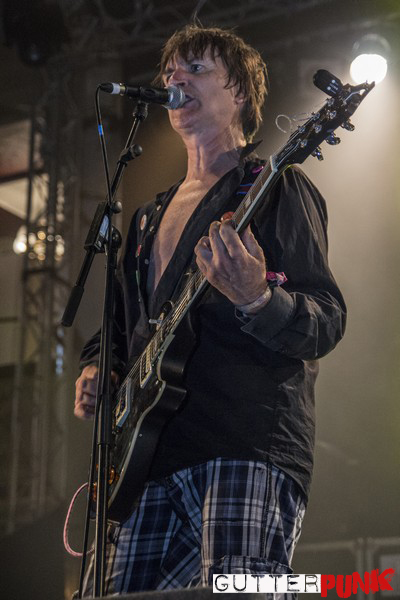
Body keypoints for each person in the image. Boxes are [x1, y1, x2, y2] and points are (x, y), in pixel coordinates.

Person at [74, 24, 346, 597]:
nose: (175, 77)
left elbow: (326, 318)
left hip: (244, 441)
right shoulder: (146, 218)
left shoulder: (275, 187)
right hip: (143, 460)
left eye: (196, 68)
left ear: (240, 92)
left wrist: (257, 298)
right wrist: (100, 367)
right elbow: (119, 327)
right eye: (171, 70)